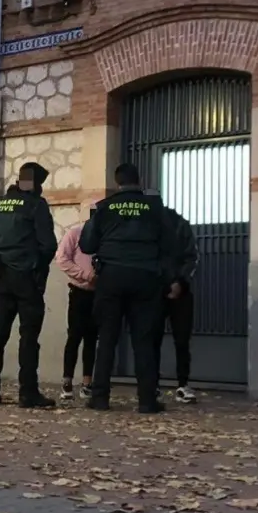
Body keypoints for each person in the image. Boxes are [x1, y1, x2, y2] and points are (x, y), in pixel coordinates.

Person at [78, 163, 177, 414]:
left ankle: (100, 398)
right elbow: (170, 245)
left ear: (117, 182)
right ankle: (147, 401)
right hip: (146, 277)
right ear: (138, 180)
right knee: (144, 341)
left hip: (111, 277)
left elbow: (87, 244)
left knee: (107, 339)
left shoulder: (103, 207)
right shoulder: (155, 207)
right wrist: (170, 279)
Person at [0, 161, 58, 409]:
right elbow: (48, 245)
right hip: (27, 278)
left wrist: (4, 260)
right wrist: (36, 267)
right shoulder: (36, 205)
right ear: (35, 183)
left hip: (2, 276)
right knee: (29, 336)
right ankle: (28, 393)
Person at [156, 204, 199, 404]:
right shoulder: (150, 224)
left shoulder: (178, 224)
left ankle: (181, 384)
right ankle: (154, 384)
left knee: (180, 340)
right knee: (154, 340)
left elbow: (191, 257)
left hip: (177, 291)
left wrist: (179, 282)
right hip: (157, 291)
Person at [55, 213, 97, 401]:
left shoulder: (106, 235)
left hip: (99, 294)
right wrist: (85, 275)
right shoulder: (75, 233)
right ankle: (67, 381)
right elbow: (62, 258)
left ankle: (87, 383)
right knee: (74, 337)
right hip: (79, 291)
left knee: (92, 339)